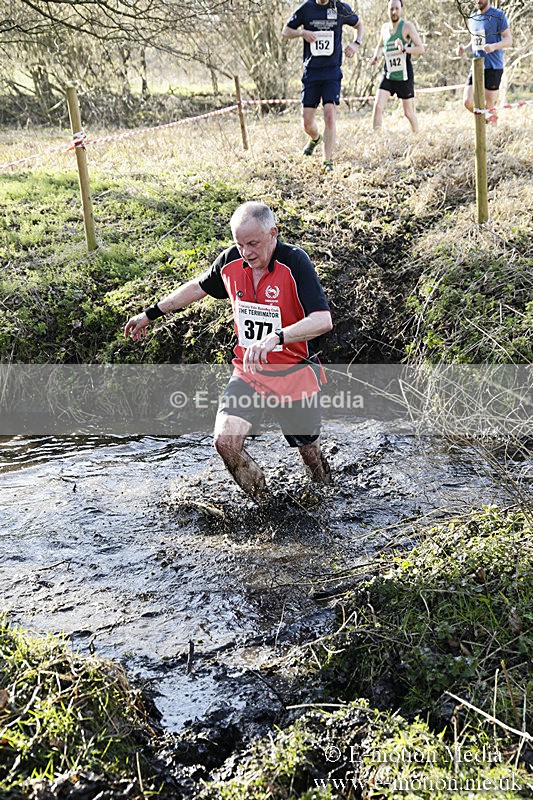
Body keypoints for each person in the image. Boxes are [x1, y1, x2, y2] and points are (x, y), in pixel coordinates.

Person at [124, 202, 333, 506]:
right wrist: (151, 313)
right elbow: (198, 287)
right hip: (250, 372)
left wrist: (277, 338)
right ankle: (265, 504)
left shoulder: (295, 262)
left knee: (309, 452)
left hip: (295, 373)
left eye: (253, 244)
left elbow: (323, 320)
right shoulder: (231, 262)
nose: (246, 252)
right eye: (239, 243)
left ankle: (327, 497)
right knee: (225, 443)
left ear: (273, 233)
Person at [282, 0, 364, 172]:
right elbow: (286, 31)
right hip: (311, 72)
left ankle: (327, 161)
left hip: (331, 72)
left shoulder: (339, 8)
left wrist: (356, 43)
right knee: (307, 123)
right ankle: (315, 139)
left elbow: (359, 25)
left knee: (329, 115)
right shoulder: (307, 8)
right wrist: (302, 32)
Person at [369, 0, 425, 133]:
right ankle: (376, 140)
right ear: (387, 10)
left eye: (396, 9)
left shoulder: (407, 27)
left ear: (401, 9)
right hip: (389, 75)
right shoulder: (384, 28)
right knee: (377, 107)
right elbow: (381, 45)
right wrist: (375, 56)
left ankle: (417, 137)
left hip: (404, 76)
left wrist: (404, 49)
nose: (394, 12)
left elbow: (421, 49)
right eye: (391, 9)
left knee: (408, 113)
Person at [456, 0, 512, 115]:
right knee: (467, 102)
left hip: (493, 66)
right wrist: (464, 49)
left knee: (490, 105)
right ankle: (485, 120)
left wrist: (494, 46)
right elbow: (476, 43)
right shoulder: (472, 17)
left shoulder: (498, 15)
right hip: (477, 66)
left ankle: (492, 128)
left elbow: (508, 40)